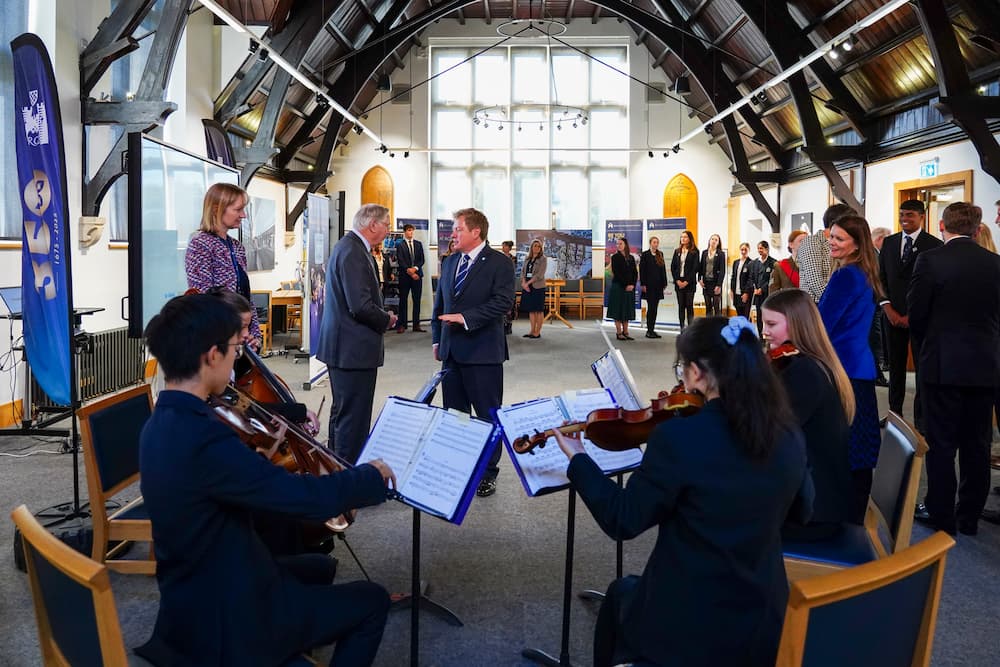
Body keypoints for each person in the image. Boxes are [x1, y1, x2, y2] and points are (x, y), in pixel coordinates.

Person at [136, 293, 396, 667]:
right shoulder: (203, 437)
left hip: (190, 587)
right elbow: (301, 498)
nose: (236, 357)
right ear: (211, 355)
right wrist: (367, 478)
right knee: (373, 600)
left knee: (319, 567)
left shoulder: (161, 422)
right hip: (226, 614)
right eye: (233, 348)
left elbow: (223, 489)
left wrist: (258, 461)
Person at [552, 316, 812, 667]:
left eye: (681, 369)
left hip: (689, 627)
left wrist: (579, 458)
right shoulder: (789, 432)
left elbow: (622, 519)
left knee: (620, 597)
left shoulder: (679, 439)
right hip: (764, 621)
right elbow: (803, 510)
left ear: (696, 373)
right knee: (621, 594)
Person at [909, 202, 1000, 536]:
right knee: (977, 444)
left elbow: (917, 315)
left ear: (941, 226)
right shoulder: (995, 264)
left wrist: (929, 346)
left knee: (942, 443)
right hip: (984, 365)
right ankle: (969, 517)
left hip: (942, 364)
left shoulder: (931, 260)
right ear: (977, 230)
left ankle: (941, 514)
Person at [432, 208, 514, 498]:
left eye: (457, 229)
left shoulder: (499, 263)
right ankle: (459, 467)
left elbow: (503, 302)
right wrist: (436, 340)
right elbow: (440, 305)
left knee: (487, 415)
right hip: (451, 352)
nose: (452, 234)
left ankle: (488, 473)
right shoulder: (450, 261)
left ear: (475, 232)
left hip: (483, 353)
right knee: (455, 415)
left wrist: (465, 318)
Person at [762, 289, 854, 541]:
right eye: (764, 324)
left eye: (771, 324)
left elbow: (767, 435)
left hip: (814, 512)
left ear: (797, 325)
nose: (764, 332)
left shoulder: (804, 372)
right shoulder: (803, 364)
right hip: (811, 495)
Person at [316, 204, 397, 464]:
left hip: (345, 347)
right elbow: (360, 306)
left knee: (343, 412)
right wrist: (387, 318)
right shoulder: (353, 252)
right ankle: (350, 479)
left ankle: (338, 468)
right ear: (372, 224)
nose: (388, 230)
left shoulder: (350, 247)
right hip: (352, 348)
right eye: (386, 225)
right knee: (354, 417)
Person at [818, 215, 884, 524]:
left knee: (849, 445)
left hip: (844, 367)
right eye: (831, 236)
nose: (832, 242)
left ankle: (848, 518)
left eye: (840, 239)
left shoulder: (846, 276)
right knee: (858, 443)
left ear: (857, 245)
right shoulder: (862, 273)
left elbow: (821, 323)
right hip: (857, 365)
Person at [878, 199, 942, 429]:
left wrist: (913, 315)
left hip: (921, 318)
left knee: (923, 369)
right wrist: (887, 307)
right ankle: (894, 415)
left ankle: (921, 421)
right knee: (895, 368)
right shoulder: (889, 243)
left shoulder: (933, 245)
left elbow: (935, 284)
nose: (905, 219)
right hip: (892, 316)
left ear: (921, 217)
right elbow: (880, 277)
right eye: (902, 215)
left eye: (910, 216)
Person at [184, 182, 261, 348]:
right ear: (216, 209)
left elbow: (246, 296)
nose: (243, 215)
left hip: (240, 339)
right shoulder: (200, 244)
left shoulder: (237, 246)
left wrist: (254, 334)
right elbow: (204, 300)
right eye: (238, 209)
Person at [797, 203, 855, 303]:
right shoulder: (812, 242)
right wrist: (838, 302)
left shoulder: (840, 244)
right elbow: (815, 281)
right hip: (815, 305)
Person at [396, 223, 425, 333]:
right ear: (404, 232)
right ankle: (402, 325)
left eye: (412, 230)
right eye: (408, 230)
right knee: (403, 300)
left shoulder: (418, 244)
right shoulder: (400, 245)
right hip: (405, 276)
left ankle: (416, 325)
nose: (410, 232)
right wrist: (410, 271)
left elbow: (422, 260)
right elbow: (401, 261)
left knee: (416, 300)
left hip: (417, 276)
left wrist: (415, 269)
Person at [607, 237, 638, 340]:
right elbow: (617, 273)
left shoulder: (631, 258)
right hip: (619, 286)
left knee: (626, 310)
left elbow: (635, 273)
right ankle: (619, 332)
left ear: (625, 245)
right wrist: (626, 285)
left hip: (630, 287)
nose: (618, 246)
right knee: (618, 310)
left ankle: (626, 332)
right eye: (617, 244)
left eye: (620, 244)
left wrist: (632, 284)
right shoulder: (615, 257)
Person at [639, 236, 668, 338]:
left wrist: (664, 283)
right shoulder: (645, 255)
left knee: (655, 308)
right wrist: (643, 284)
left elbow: (663, 269)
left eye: (657, 242)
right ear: (650, 243)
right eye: (654, 242)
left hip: (658, 285)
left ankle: (652, 329)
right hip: (649, 286)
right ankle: (649, 330)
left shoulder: (660, 254)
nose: (656, 244)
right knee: (650, 308)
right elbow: (642, 270)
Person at [670, 230, 699, 329]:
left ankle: (690, 329)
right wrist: (677, 280)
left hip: (689, 283)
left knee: (689, 306)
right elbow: (673, 267)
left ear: (690, 239)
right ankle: (682, 327)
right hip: (679, 283)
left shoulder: (695, 251)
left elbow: (695, 268)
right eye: (682, 237)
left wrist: (686, 282)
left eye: (685, 237)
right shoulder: (677, 251)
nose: (683, 238)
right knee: (681, 307)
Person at [519, 238, 547, 339]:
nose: (537, 248)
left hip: (538, 287)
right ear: (531, 247)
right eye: (535, 246)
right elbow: (522, 272)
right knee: (531, 310)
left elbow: (540, 275)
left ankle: (537, 332)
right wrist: (523, 282)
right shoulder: (527, 258)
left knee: (538, 310)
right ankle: (532, 330)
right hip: (527, 287)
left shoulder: (543, 259)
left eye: (539, 246)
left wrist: (528, 283)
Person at [751, 240, 777, 336]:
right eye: (758, 248)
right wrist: (755, 288)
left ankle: (770, 334)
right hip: (757, 294)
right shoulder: (755, 263)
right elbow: (752, 277)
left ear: (767, 249)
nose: (759, 250)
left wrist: (762, 289)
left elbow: (772, 279)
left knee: (769, 315)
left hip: (768, 294)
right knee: (759, 315)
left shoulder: (773, 263)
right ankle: (761, 336)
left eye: (761, 248)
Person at [698, 233, 726, 317]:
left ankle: (717, 327)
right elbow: (700, 267)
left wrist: (719, 285)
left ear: (718, 243)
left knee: (716, 307)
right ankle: (709, 327)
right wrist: (699, 279)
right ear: (709, 241)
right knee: (708, 307)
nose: (713, 241)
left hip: (715, 283)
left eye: (716, 240)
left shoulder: (721, 254)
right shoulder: (704, 253)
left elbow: (722, 271)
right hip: (706, 283)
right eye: (712, 239)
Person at [730, 242, 753, 318]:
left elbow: (750, 279)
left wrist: (746, 292)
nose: (743, 251)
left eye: (745, 250)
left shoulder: (751, 263)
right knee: (739, 315)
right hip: (736, 293)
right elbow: (733, 277)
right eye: (742, 249)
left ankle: (747, 329)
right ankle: (741, 330)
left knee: (745, 316)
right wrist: (731, 290)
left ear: (749, 250)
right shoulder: (736, 262)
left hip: (745, 294)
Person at [501, 240, 516, 334]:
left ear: (509, 247)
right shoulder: (499, 258)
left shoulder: (513, 258)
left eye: (504, 246)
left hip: (510, 283)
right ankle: (503, 325)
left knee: (510, 306)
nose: (503, 248)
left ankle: (509, 325)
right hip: (501, 284)